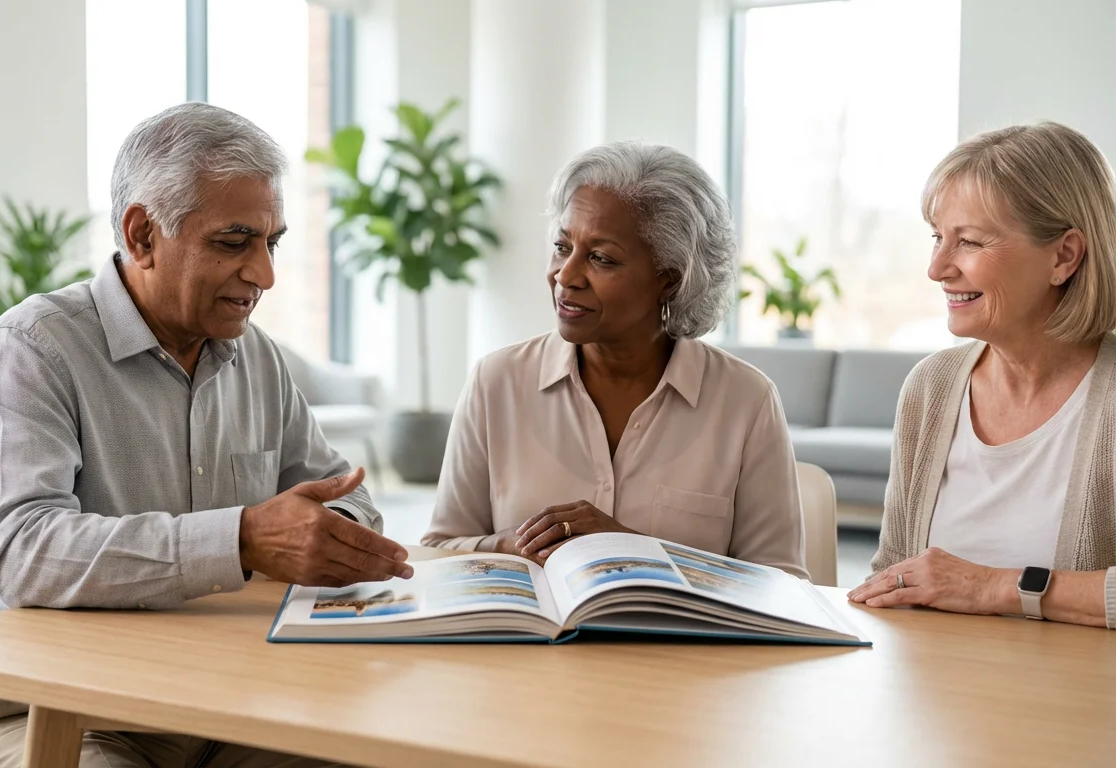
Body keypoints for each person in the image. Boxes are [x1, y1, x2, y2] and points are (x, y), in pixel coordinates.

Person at [0, 102, 413, 768]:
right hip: (46, 705)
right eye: (234, 241)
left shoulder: (259, 359)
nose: (264, 274)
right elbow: (23, 552)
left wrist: (327, 531)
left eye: (271, 242)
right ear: (141, 234)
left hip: (221, 693)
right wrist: (242, 539)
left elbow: (346, 500)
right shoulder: (34, 347)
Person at [422, 141, 807, 577]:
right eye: (562, 247)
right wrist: (505, 547)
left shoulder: (745, 401)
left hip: (675, 647)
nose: (564, 277)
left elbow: (784, 585)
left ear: (670, 278)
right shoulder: (496, 381)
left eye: (600, 258)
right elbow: (439, 549)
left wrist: (630, 551)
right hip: (526, 644)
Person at [849, 122, 1116, 630]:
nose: (937, 268)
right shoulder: (931, 387)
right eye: (937, 237)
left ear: (1064, 256)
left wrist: (994, 586)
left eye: (969, 241)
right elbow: (891, 578)